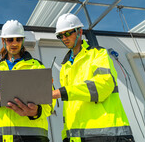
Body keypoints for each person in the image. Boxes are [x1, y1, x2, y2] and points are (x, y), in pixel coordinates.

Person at [52, 13, 134, 142]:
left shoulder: (98, 54)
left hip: (107, 134)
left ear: (80, 32)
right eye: (60, 36)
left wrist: (61, 92)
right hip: (75, 137)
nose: (64, 38)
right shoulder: (65, 66)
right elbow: (70, 106)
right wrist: (66, 135)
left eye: (68, 33)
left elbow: (103, 86)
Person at [0, 20, 55, 142]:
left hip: (32, 138)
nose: (14, 43)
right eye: (10, 39)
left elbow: (50, 100)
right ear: (3, 41)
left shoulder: (36, 66)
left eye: (18, 39)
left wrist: (37, 111)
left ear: (22, 40)